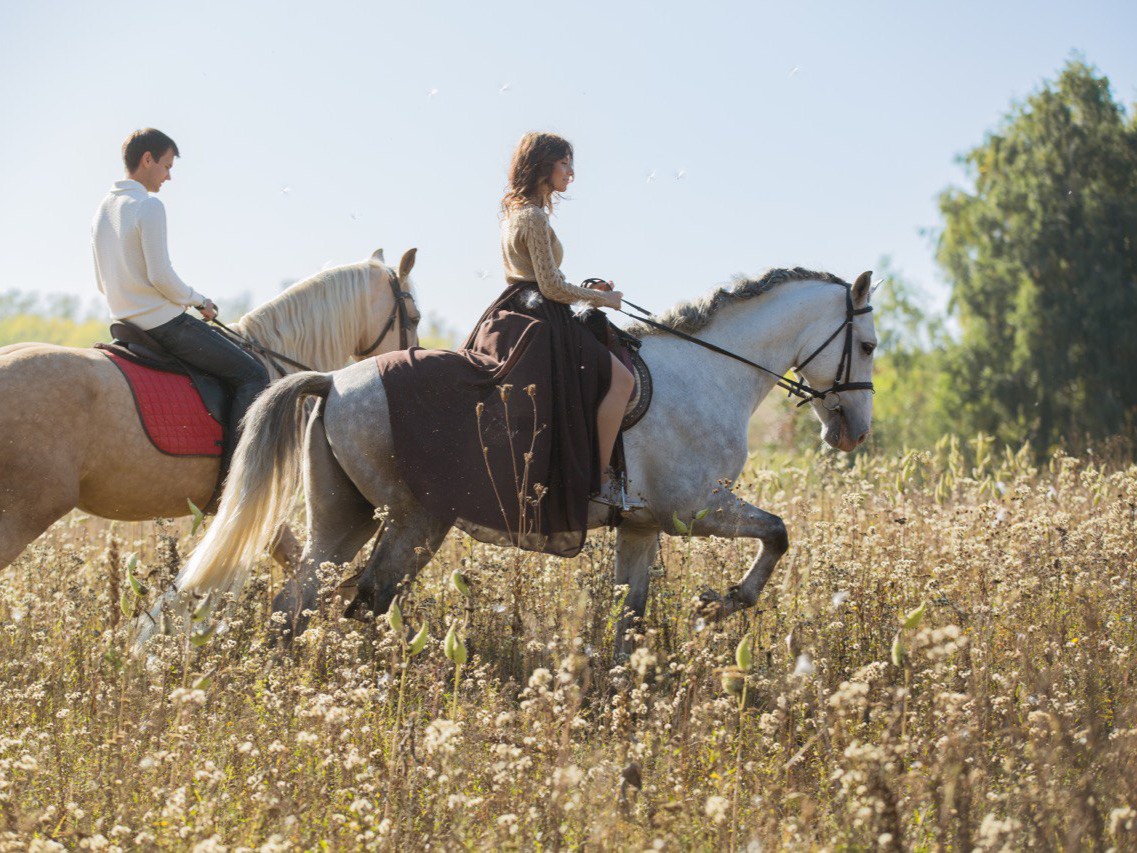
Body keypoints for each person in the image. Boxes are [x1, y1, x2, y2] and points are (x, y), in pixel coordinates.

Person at [372, 131, 638, 557]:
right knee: (622, 382)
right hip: (542, 315)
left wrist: (588, 291)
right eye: (565, 163)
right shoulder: (533, 217)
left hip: (518, 309)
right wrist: (602, 298)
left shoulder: (518, 213)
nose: (571, 172)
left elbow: (542, 278)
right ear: (544, 165)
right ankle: (603, 481)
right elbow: (550, 286)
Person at [91, 128, 269, 473]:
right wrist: (198, 300)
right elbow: (161, 276)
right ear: (147, 160)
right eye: (167, 166)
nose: (169, 176)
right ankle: (236, 479)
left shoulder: (103, 209)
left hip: (124, 326)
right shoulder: (148, 206)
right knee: (253, 374)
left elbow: (101, 282)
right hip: (164, 325)